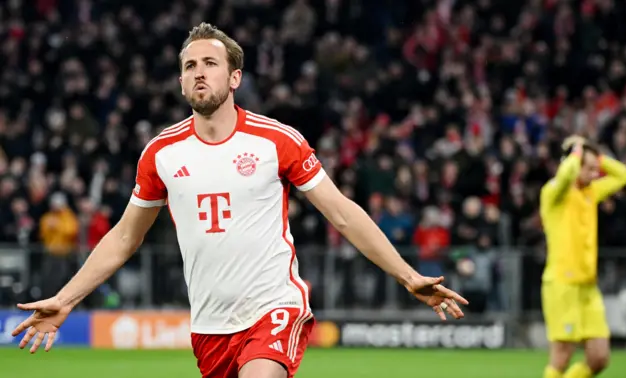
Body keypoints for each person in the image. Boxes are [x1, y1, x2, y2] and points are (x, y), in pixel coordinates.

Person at [11, 23, 468, 378]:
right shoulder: (161, 153)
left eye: (209, 63)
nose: (199, 73)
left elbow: (343, 214)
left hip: (274, 307)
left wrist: (408, 276)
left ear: (234, 77)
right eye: (190, 66)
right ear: (180, 81)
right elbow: (125, 238)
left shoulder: (276, 140)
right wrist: (67, 299)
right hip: (210, 327)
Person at [540, 135, 626, 378]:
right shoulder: (553, 193)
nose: (595, 174)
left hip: (588, 287)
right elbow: (564, 177)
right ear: (573, 163)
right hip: (562, 284)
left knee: (600, 357)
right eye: (589, 169)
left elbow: (624, 175)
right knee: (561, 356)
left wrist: (597, 156)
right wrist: (577, 153)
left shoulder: (591, 192)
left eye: (596, 169)